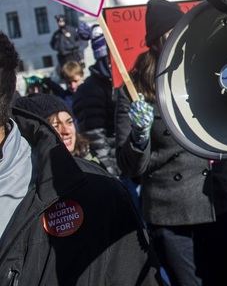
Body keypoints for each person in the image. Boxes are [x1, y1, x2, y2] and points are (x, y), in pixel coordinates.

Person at [0, 31, 163, 285]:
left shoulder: (99, 193)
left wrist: (118, 162)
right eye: (56, 124)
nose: (66, 130)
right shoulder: (91, 93)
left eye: (68, 122)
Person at [115, 0, 227, 286]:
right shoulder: (134, 89)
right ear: (155, 42)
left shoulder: (208, 71)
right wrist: (139, 135)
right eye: (171, 32)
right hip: (170, 213)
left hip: (220, 201)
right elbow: (130, 167)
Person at [73, 24, 119, 176]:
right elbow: (96, 140)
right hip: (117, 171)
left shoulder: (118, 83)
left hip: (130, 167)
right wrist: (112, 175)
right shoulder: (89, 91)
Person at [14, 93, 103, 166]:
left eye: (69, 122)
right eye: (56, 126)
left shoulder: (91, 160)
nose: (67, 131)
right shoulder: (36, 178)